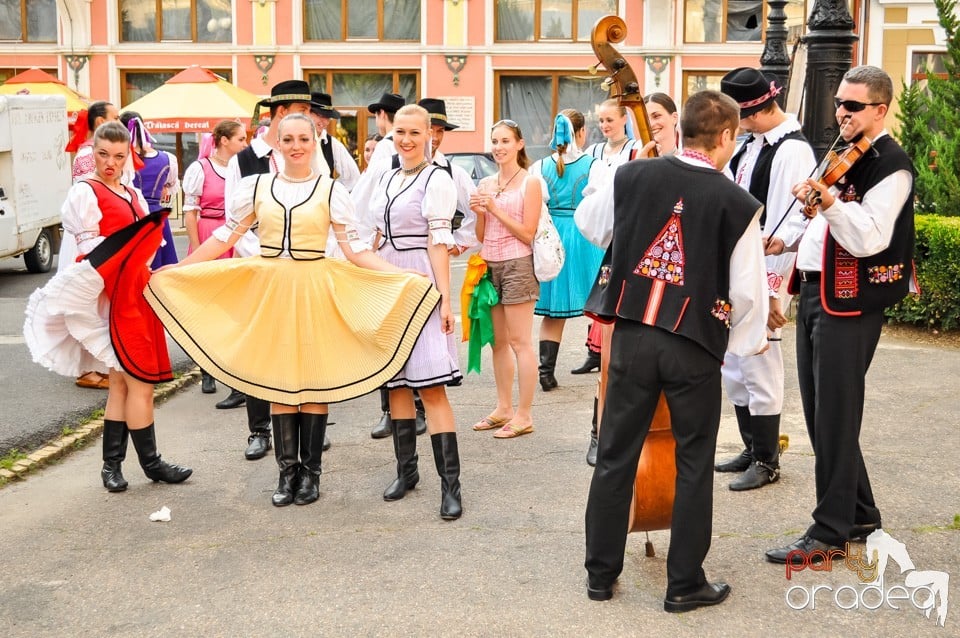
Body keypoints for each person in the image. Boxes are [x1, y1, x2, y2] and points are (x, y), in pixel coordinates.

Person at [145, 113, 440, 508]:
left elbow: (354, 250)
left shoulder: (330, 191)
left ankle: (311, 474)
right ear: (277, 143)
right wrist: (181, 268)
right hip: (273, 291)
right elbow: (223, 236)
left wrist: (406, 277)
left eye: (304, 138)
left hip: (315, 289)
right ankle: (287, 473)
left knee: (313, 380)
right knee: (280, 379)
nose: (296, 145)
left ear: (314, 142)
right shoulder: (257, 187)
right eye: (289, 139)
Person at [580, 90, 768, 612]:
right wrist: (738, 346)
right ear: (727, 137)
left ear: (680, 129)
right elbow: (749, 291)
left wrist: (632, 175)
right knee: (693, 461)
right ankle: (683, 583)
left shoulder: (633, 175)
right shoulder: (736, 201)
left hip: (634, 335)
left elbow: (592, 227)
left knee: (615, 455)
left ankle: (600, 574)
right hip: (693, 346)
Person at [763, 66, 916, 563]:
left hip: (849, 303)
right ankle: (861, 513)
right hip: (815, 293)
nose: (841, 113)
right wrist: (788, 238)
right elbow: (826, 232)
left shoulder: (890, 164)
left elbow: (868, 237)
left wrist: (827, 201)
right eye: (839, 103)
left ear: (880, 108)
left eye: (853, 106)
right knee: (823, 414)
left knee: (834, 414)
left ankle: (829, 532)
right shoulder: (844, 155)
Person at [25, 121, 193, 492]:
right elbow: (92, 256)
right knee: (140, 383)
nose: (111, 163)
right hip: (112, 298)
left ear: (127, 155)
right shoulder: (85, 193)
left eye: (118, 156)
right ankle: (149, 464)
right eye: (103, 155)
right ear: (93, 152)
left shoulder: (132, 194)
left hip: (138, 295)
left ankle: (113, 467)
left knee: (120, 383)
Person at [717, 68, 816, 491]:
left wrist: (772, 289)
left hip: (766, 272)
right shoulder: (753, 143)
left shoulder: (792, 151)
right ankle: (750, 445)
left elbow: (786, 225)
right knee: (735, 366)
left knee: (760, 364)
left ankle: (767, 459)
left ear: (754, 112)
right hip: (742, 267)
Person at [215, 80, 320, 462]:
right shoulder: (244, 160)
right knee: (261, 351)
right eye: (304, 111)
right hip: (259, 265)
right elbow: (234, 221)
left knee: (304, 348)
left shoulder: (310, 150)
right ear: (279, 113)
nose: (309, 120)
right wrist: (270, 255)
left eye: (307, 116)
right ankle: (259, 430)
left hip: (304, 271)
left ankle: (305, 429)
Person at [368, 104, 464, 519]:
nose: (405, 139)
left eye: (414, 132)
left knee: (431, 385)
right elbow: (373, 235)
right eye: (399, 132)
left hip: (420, 279)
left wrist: (445, 298)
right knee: (396, 384)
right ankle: (406, 473)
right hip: (387, 280)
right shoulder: (387, 177)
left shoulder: (437, 179)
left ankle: (451, 486)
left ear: (430, 135)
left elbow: (438, 242)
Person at [577, 94, 677, 466]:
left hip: (674, 275)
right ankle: (599, 431)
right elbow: (594, 225)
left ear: (674, 118)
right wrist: (629, 175)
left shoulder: (691, 162)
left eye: (658, 116)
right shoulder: (623, 163)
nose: (653, 124)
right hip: (630, 270)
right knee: (617, 358)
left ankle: (661, 437)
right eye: (645, 117)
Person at [468, 119, 544, 439]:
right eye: (495, 141)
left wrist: (496, 210)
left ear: (519, 144)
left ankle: (524, 414)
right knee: (497, 342)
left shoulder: (531, 183)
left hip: (517, 264)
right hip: (489, 266)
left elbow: (528, 233)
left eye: (505, 141)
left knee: (520, 342)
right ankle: (503, 408)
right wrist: (479, 213)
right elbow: (482, 234)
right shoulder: (486, 184)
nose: (499, 147)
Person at [529, 110, 604, 392]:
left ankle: (546, 372)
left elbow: (535, 202)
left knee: (554, 311)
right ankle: (605, 363)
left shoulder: (539, 167)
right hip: (584, 233)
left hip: (553, 236)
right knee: (599, 305)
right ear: (581, 132)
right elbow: (603, 203)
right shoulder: (594, 165)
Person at [181, 119, 249, 394]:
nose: (245, 144)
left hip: (236, 236)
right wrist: (198, 249)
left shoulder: (241, 169)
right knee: (206, 307)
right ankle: (206, 369)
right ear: (224, 140)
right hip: (209, 233)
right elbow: (190, 212)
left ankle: (235, 374)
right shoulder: (200, 168)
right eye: (241, 139)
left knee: (235, 308)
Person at [64, 101, 121, 391]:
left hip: (99, 232)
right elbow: (92, 195)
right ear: (101, 123)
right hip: (91, 235)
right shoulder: (90, 156)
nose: (119, 120)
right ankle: (88, 368)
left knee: (99, 306)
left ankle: (98, 365)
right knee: (92, 305)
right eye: (115, 117)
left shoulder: (93, 152)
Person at [120, 111, 180, 270]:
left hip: (132, 214)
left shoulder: (123, 159)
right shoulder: (167, 159)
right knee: (160, 266)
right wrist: (162, 201)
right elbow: (170, 189)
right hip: (157, 213)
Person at [308, 92, 360, 191]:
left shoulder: (332, 144)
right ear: (307, 113)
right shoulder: (293, 140)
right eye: (320, 115)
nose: (324, 121)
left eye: (327, 117)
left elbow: (352, 177)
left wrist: (331, 191)